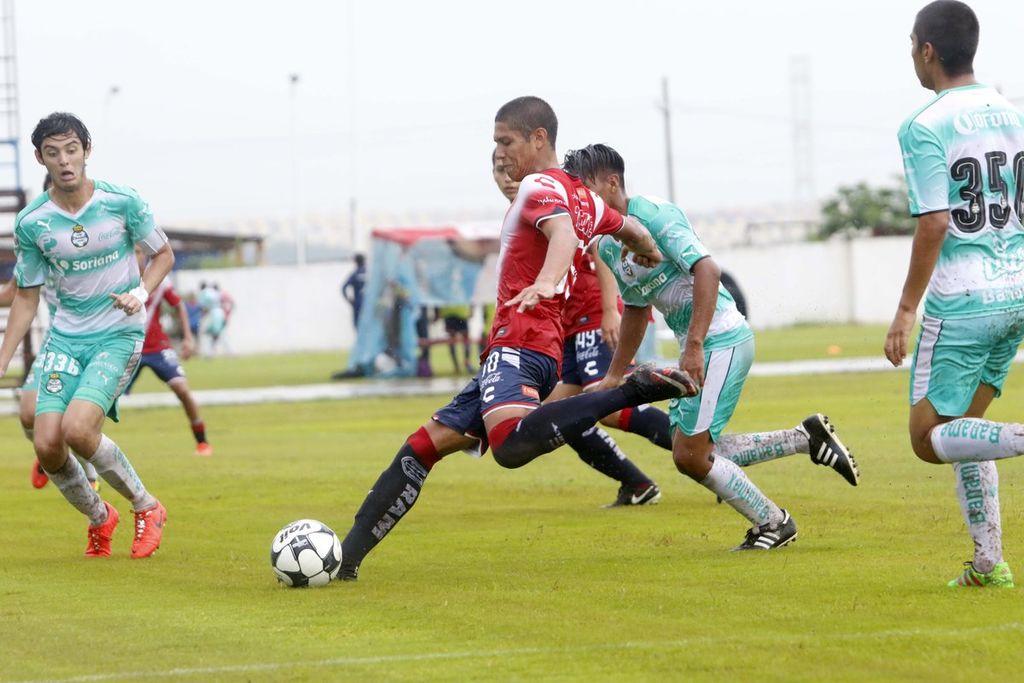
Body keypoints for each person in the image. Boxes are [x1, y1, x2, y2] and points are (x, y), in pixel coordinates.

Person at [337, 96, 694, 580]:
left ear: (538, 138)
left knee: (507, 446)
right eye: (495, 145)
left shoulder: (540, 186)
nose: (500, 154)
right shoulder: (584, 195)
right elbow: (625, 224)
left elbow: (564, 236)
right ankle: (345, 561)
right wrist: (646, 247)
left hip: (522, 342)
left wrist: (548, 281)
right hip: (519, 349)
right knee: (423, 446)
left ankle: (635, 389)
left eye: (506, 142)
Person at [563, 143, 859, 550]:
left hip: (720, 338)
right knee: (699, 449)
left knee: (689, 455)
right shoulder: (611, 243)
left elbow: (708, 268)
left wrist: (695, 346)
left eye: (585, 191)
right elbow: (635, 308)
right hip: (703, 342)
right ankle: (805, 439)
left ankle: (774, 523)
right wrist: (614, 375)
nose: (580, 203)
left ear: (613, 183)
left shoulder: (653, 216)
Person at [884, 1, 1024, 589]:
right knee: (967, 426)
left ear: (927, 51)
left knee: (925, 440)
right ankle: (989, 562)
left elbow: (935, 222)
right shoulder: (1013, 114)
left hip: (962, 304)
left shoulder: (923, 124)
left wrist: (906, 308)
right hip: (1016, 293)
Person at [0, 112, 171, 558]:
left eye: (72, 149)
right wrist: (2, 360)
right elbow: (25, 298)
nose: (65, 161)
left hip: (117, 333)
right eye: (53, 153)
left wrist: (140, 290)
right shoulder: (32, 222)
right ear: (41, 158)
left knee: (78, 430)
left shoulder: (122, 202)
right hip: (65, 340)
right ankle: (101, 517)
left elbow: (163, 254)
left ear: (86, 151)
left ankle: (146, 506)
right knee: (45, 441)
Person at [493, 148, 665, 507]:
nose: (506, 177)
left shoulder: (557, 202)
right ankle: (636, 483)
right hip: (564, 328)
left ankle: (702, 449)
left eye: (509, 169)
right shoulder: (526, 213)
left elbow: (598, 249)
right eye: (498, 172)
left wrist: (608, 310)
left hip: (590, 315)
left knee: (611, 407)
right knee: (556, 416)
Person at [124, 246, 213, 456]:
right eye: (132, 252)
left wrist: (188, 339)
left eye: (138, 252)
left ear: (145, 254)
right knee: (98, 402)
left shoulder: (160, 280)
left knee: (182, 389)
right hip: (126, 347)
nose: (136, 257)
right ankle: (65, 450)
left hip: (157, 347)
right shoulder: (119, 279)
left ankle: (202, 442)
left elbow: (179, 305)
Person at [437, 303, 474, 374]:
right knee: (455, 340)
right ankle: (459, 365)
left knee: (461, 340)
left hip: (455, 312)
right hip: (455, 311)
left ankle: (463, 364)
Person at [342, 253, 367, 329]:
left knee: (358, 326)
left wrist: (349, 299)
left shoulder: (354, 274)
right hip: (368, 304)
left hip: (357, 304)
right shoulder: (370, 274)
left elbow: (343, 288)